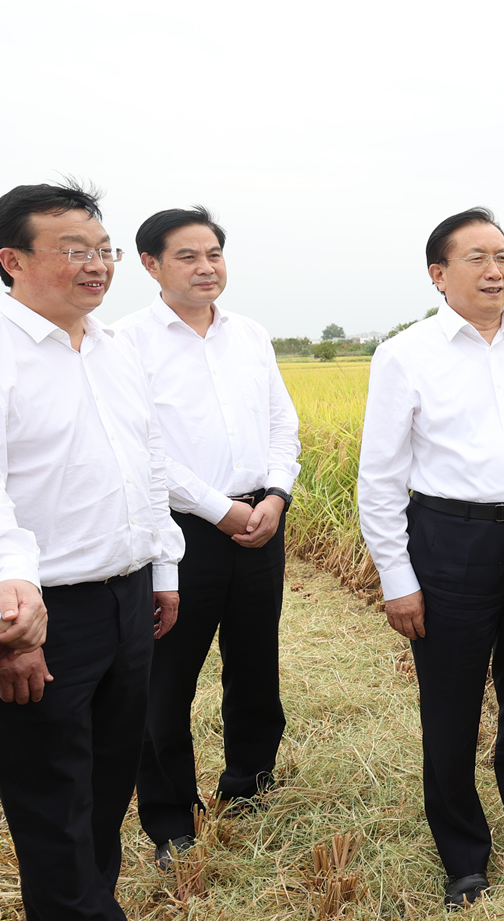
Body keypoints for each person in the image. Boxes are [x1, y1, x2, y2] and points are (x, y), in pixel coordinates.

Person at [357, 207, 504, 909]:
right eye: (477, 257)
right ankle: (462, 853)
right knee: (451, 703)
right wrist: (397, 578)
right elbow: (381, 477)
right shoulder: (405, 354)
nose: (495, 270)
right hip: (451, 542)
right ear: (438, 274)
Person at [0, 181, 184, 920]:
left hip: (127, 597)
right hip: (42, 611)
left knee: (109, 781)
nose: (97, 265)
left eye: (104, 250)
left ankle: (89, 900)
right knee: (53, 796)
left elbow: (149, 463)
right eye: (74, 251)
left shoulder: (115, 349)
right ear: (11, 260)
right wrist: (14, 619)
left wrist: (162, 567)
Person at [113, 207, 301, 870]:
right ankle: (172, 821)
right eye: (188, 256)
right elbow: (142, 450)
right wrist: (219, 510)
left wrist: (276, 496)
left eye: (214, 253)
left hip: (262, 523)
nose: (206, 267)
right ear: (151, 265)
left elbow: (282, 424)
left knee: (255, 666)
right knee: (165, 683)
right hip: (180, 533)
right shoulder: (124, 342)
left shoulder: (249, 334)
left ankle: (249, 784)